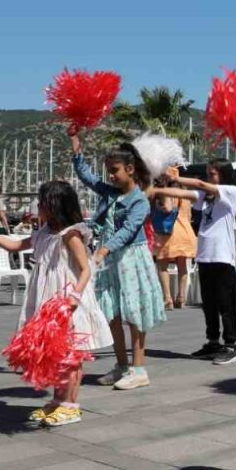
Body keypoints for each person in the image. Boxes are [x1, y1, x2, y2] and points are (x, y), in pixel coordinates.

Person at [0, 181, 112, 426]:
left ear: (54, 205)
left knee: (70, 353)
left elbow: (85, 270)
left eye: (42, 202)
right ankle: (58, 401)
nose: (38, 206)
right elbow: (15, 245)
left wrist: (75, 297)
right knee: (55, 352)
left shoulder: (71, 234)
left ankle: (71, 405)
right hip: (47, 298)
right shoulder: (43, 233)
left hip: (66, 299)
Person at [71, 128, 167, 389]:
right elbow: (86, 176)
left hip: (130, 259)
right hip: (111, 260)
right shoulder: (109, 193)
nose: (111, 176)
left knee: (134, 314)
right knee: (111, 313)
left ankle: (139, 368)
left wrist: (103, 249)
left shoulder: (140, 201)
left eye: (115, 170)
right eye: (109, 171)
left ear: (131, 169)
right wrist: (76, 143)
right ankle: (121, 364)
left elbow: (128, 230)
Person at [172, 159, 236, 365]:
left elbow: (200, 185)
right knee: (209, 303)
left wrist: (176, 177)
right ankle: (213, 342)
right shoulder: (206, 198)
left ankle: (230, 346)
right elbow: (183, 193)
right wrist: (158, 190)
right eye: (208, 173)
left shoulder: (230, 191)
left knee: (225, 304)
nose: (208, 178)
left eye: (212, 174)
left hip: (222, 258)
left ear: (223, 176)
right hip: (205, 256)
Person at [151, 177, 197, 310]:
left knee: (162, 264)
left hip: (168, 232)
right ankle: (181, 298)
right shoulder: (186, 197)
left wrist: (157, 204)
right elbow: (188, 216)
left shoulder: (167, 193)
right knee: (182, 265)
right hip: (185, 231)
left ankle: (167, 298)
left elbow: (167, 208)